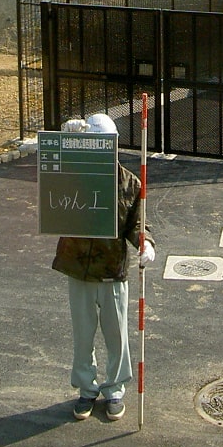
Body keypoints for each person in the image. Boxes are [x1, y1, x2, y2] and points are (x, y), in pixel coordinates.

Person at [51, 113, 155, 422]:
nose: (101, 150)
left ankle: (115, 389)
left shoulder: (128, 183)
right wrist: (65, 141)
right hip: (78, 268)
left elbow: (138, 222)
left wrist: (145, 242)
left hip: (111, 270)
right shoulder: (74, 172)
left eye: (106, 145)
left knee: (116, 335)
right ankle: (86, 389)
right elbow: (52, 178)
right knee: (83, 335)